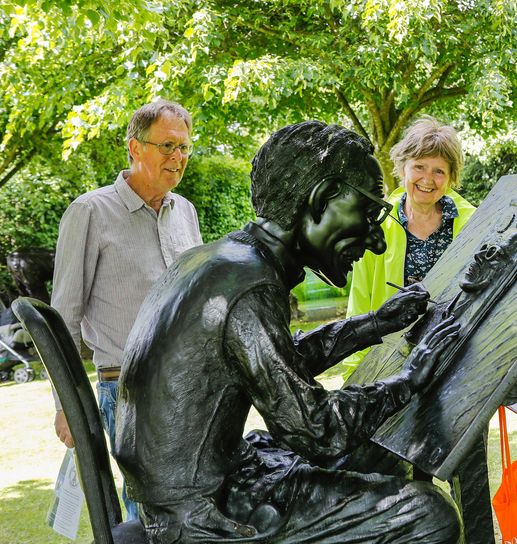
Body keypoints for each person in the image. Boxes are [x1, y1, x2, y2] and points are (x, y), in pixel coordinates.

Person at [114, 121, 462, 544]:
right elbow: (317, 430)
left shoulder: (222, 260)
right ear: (321, 200)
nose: (376, 241)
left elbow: (277, 361)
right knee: (429, 515)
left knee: (381, 452)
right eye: (368, 215)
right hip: (200, 516)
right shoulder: (249, 286)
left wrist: (376, 323)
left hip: (203, 487)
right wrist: (410, 380)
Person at [51, 99, 203, 521]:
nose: (178, 158)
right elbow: (63, 316)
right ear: (134, 148)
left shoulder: (185, 212)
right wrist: (66, 404)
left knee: (194, 514)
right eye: (167, 146)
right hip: (128, 392)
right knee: (149, 519)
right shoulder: (90, 212)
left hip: (191, 390)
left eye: (185, 148)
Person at [342, 116, 476, 379]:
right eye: (419, 167)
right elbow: (360, 305)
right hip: (392, 364)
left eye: (439, 171)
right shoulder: (376, 226)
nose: (428, 179)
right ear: (403, 169)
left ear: (450, 177)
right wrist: (354, 375)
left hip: (458, 359)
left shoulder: (473, 223)